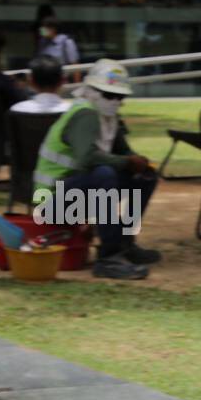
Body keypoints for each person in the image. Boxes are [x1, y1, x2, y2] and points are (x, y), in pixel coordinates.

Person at [31, 59, 160, 280]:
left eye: (119, 97)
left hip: (75, 193)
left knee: (145, 176)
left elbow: (125, 152)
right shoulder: (86, 114)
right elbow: (87, 158)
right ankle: (108, 258)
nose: (114, 101)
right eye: (109, 95)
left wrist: (137, 162)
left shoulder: (110, 118)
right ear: (92, 91)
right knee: (104, 174)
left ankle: (125, 242)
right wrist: (128, 163)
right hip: (50, 203)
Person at [36, 16, 80, 81]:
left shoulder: (66, 42)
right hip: (44, 79)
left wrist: (76, 84)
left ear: (53, 29)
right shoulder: (42, 42)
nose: (41, 30)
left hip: (62, 80)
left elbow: (75, 65)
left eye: (44, 28)